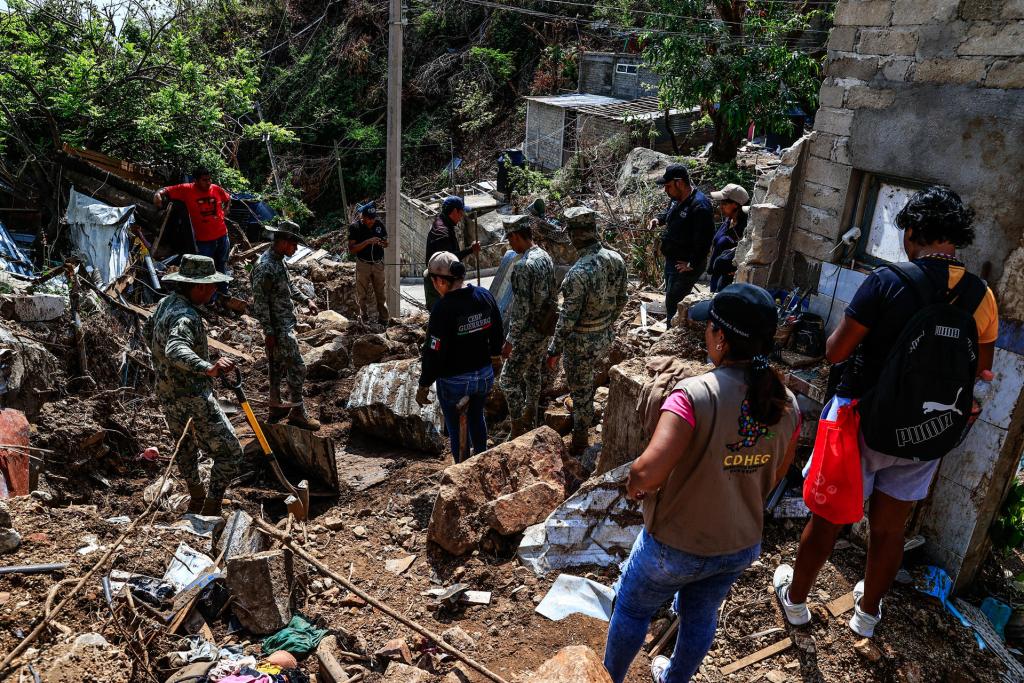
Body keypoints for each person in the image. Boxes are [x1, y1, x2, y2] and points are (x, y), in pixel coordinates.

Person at [773, 186, 998, 639]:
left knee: (829, 519)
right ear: (955, 237)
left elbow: (836, 353)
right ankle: (868, 614)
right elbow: (985, 370)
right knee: (891, 530)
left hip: (860, 423)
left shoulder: (888, 281)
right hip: (928, 431)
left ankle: (795, 601)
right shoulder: (982, 297)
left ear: (913, 231)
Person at [603, 283, 800, 683]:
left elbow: (646, 472)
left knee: (633, 608)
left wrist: (635, 488)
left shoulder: (694, 395)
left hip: (675, 545)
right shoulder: (786, 402)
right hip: (738, 543)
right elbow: (777, 471)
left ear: (722, 338)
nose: (707, 335)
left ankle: (608, 677)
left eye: (709, 328)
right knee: (700, 614)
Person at [144, 255, 245, 516]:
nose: (214, 291)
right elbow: (175, 348)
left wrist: (163, 367)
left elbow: (148, 331)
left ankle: (196, 497)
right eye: (211, 286)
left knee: (185, 448)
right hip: (193, 396)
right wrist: (207, 367)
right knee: (231, 453)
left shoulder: (166, 303)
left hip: (167, 394)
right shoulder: (186, 317)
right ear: (198, 286)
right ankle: (211, 506)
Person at [546, 207, 628, 456]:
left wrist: (553, 350)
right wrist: (606, 322)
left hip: (580, 342)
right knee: (589, 384)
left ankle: (581, 440)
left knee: (580, 391)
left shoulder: (577, 274)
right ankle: (588, 414)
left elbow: (567, 320)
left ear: (573, 236)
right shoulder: (616, 259)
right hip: (604, 336)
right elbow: (622, 299)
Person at [416, 252, 503, 461]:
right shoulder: (483, 295)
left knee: (455, 428)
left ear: (442, 281)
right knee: (476, 416)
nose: (434, 285)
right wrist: (495, 357)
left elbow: (434, 352)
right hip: (483, 376)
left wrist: (424, 384)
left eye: (434, 280)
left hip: (454, 381)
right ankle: (480, 460)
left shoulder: (442, 309)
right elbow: (497, 330)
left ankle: (460, 467)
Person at [250, 220, 321, 431]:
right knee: (297, 367)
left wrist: (305, 300)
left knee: (278, 366)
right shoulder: (264, 267)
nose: (296, 248)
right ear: (282, 241)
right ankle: (297, 411)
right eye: (293, 244)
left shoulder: (278, 261)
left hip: (283, 325)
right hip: (278, 328)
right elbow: (260, 303)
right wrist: (269, 332)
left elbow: (288, 286)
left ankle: (275, 405)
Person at [498, 214, 557, 437]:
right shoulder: (545, 256)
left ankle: (517, 428)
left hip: (526, 334)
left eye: (510, 239)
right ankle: (530, 414)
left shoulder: (524, 266)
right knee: (533, 373)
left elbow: (521, 310)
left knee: (507, 381)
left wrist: (510, 342)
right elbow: (552, 296)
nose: (510, 244)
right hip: (544, 330)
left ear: (516, 236)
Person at [649, 164, 715, 326]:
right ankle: (672, 329)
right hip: (673, 260)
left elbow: (705, 240)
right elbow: (669, 214)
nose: (666, 190)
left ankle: (673, 335)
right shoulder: (676, 199)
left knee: (675, 302)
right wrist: (659, 219)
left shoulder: (700, 206)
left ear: (679, 183)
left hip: (685, 265)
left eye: (668, 186)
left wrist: (692, 263)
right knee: (670, 299)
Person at [154, 168, 233, 291]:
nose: (208, 183)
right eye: (204, 180)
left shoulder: (216, 188)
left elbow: (228, 198)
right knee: (205, 269)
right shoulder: (187, 190)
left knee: (221, 264)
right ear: (195, 180)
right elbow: (167, 190)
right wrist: (158, 194)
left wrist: (227, 208)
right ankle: (208, 297)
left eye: (209, 179)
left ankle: (224, 291)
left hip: (223, 235)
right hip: (205, 241)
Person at [424, 196, 480, 311]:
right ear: (454, 211)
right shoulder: (442, 232)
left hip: (440, 276)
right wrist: (471, 249)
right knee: (441, 315)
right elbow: (449, 261)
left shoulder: (443, 223)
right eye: (461, 212)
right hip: (439, 281)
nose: (461, 216)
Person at [347, 203, 389, 326]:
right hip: (363, 264)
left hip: (377, 264)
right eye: (369, 218)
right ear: (363, 217)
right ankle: (363, 318)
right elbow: (352, 249)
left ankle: (384, 319)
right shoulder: (355, 228)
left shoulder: (379, 225)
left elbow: (386, 243)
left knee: (381, 293)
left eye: (373, 217)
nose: (371, 220)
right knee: (362, 294)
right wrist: (367, 242)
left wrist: (382, 243)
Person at [708, 183, 750, 293]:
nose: (720, 206)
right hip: (716, 277)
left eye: (724, 203)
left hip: (728, 282)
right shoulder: (728, 221)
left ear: (735, 205)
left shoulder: (745, 229)